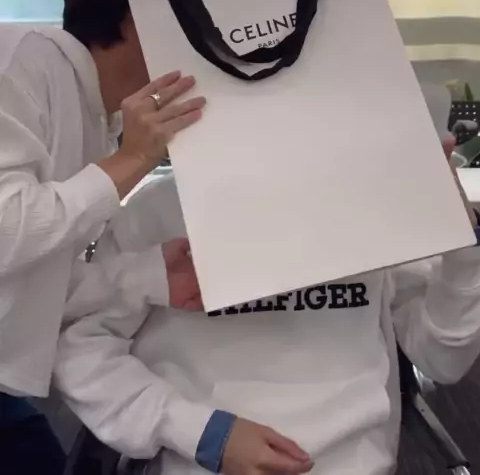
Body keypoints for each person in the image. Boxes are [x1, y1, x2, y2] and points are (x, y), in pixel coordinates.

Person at [54, 130, 480, 475]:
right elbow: (81, 349)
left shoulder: (370, 202)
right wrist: (198, 432)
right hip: (198, 463)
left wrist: (464, 246)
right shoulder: (158, 209)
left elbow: (442, 360)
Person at [0, 0, 206, 474]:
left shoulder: (96, 115)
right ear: (142, 17)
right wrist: (131, 159)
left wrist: (149, 277)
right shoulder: (22, 61)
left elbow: (45, 280)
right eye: (196, 21)